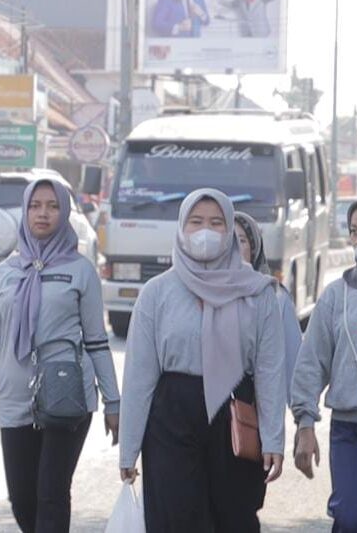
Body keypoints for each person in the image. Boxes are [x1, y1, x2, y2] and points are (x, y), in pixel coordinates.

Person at [0, 178, 120, 533]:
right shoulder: (5, 273)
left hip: (67, 397)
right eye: (35, 205)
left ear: (64, 213)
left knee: (51, 493)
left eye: (52, 205)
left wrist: (113, 403)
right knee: (22, 498)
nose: (43, 213)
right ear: (25, 211)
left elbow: (96, 342)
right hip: (15, 397)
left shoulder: (81, 271)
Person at [118, 189, 285, 532]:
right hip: (171, 417)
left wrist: (274, 439)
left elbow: (270, 370)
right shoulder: (157, 293)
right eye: (196, 222)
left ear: (230, 232)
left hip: (235, 414)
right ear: (181, 228)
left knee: (234, 517)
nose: (205, 231)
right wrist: (128, 448)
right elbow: (139, 376)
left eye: (215, 223)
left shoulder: (258, 293)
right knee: (175, 516)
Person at [292, 195, 357, 531]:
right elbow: (311, 361)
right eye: (353, 231)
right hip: (352, 428)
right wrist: (305, 422)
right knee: (350, 517)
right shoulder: (337, 295)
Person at [234, 211, 303, 401]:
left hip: (259, 411)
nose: (233, 248)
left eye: (241, 240)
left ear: (254, 248)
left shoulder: (275, 296)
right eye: (228, 241)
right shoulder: (206, 294)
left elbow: (294, 365)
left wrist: (302, 418)